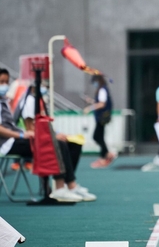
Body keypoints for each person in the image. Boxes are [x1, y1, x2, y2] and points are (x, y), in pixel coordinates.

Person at [0, 68, 96, 202]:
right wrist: (22, 135)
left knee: (73, 143)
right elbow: (30, 128)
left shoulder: (8, 101)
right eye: (1, 82)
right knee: (57, 144)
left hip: (20, 137)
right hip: (8, 143)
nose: (4, 85)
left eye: (5, 82)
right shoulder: (29, 102)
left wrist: (55, 133)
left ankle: (70, 184)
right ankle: (60, 187)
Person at [83, 74, 116, 168]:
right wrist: (92, 101)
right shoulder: (102, 90)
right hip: (100, 117)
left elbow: (102, 104)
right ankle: (106, 155)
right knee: (99, 137)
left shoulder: (102, 90)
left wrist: (90, 108)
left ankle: (105, 156)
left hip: (102, 117)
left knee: (97, 136)